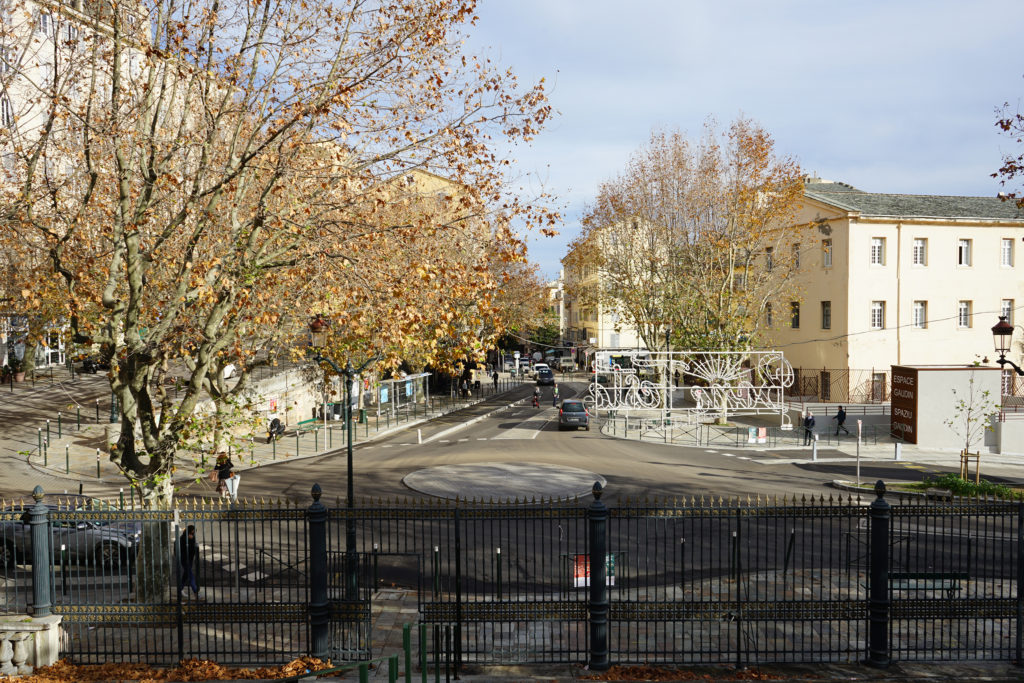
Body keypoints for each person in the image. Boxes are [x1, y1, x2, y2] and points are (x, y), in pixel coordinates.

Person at [177, 524, 200, 600]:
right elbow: (182, 550)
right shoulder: (182, 538)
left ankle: (180, 589)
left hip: (190, 559)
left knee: (186, 575)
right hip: (184, 559)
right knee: (190, 575)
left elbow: (193, 549)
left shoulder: (192, 538)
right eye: (191, 532)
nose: (192, 534)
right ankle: (195, 591)